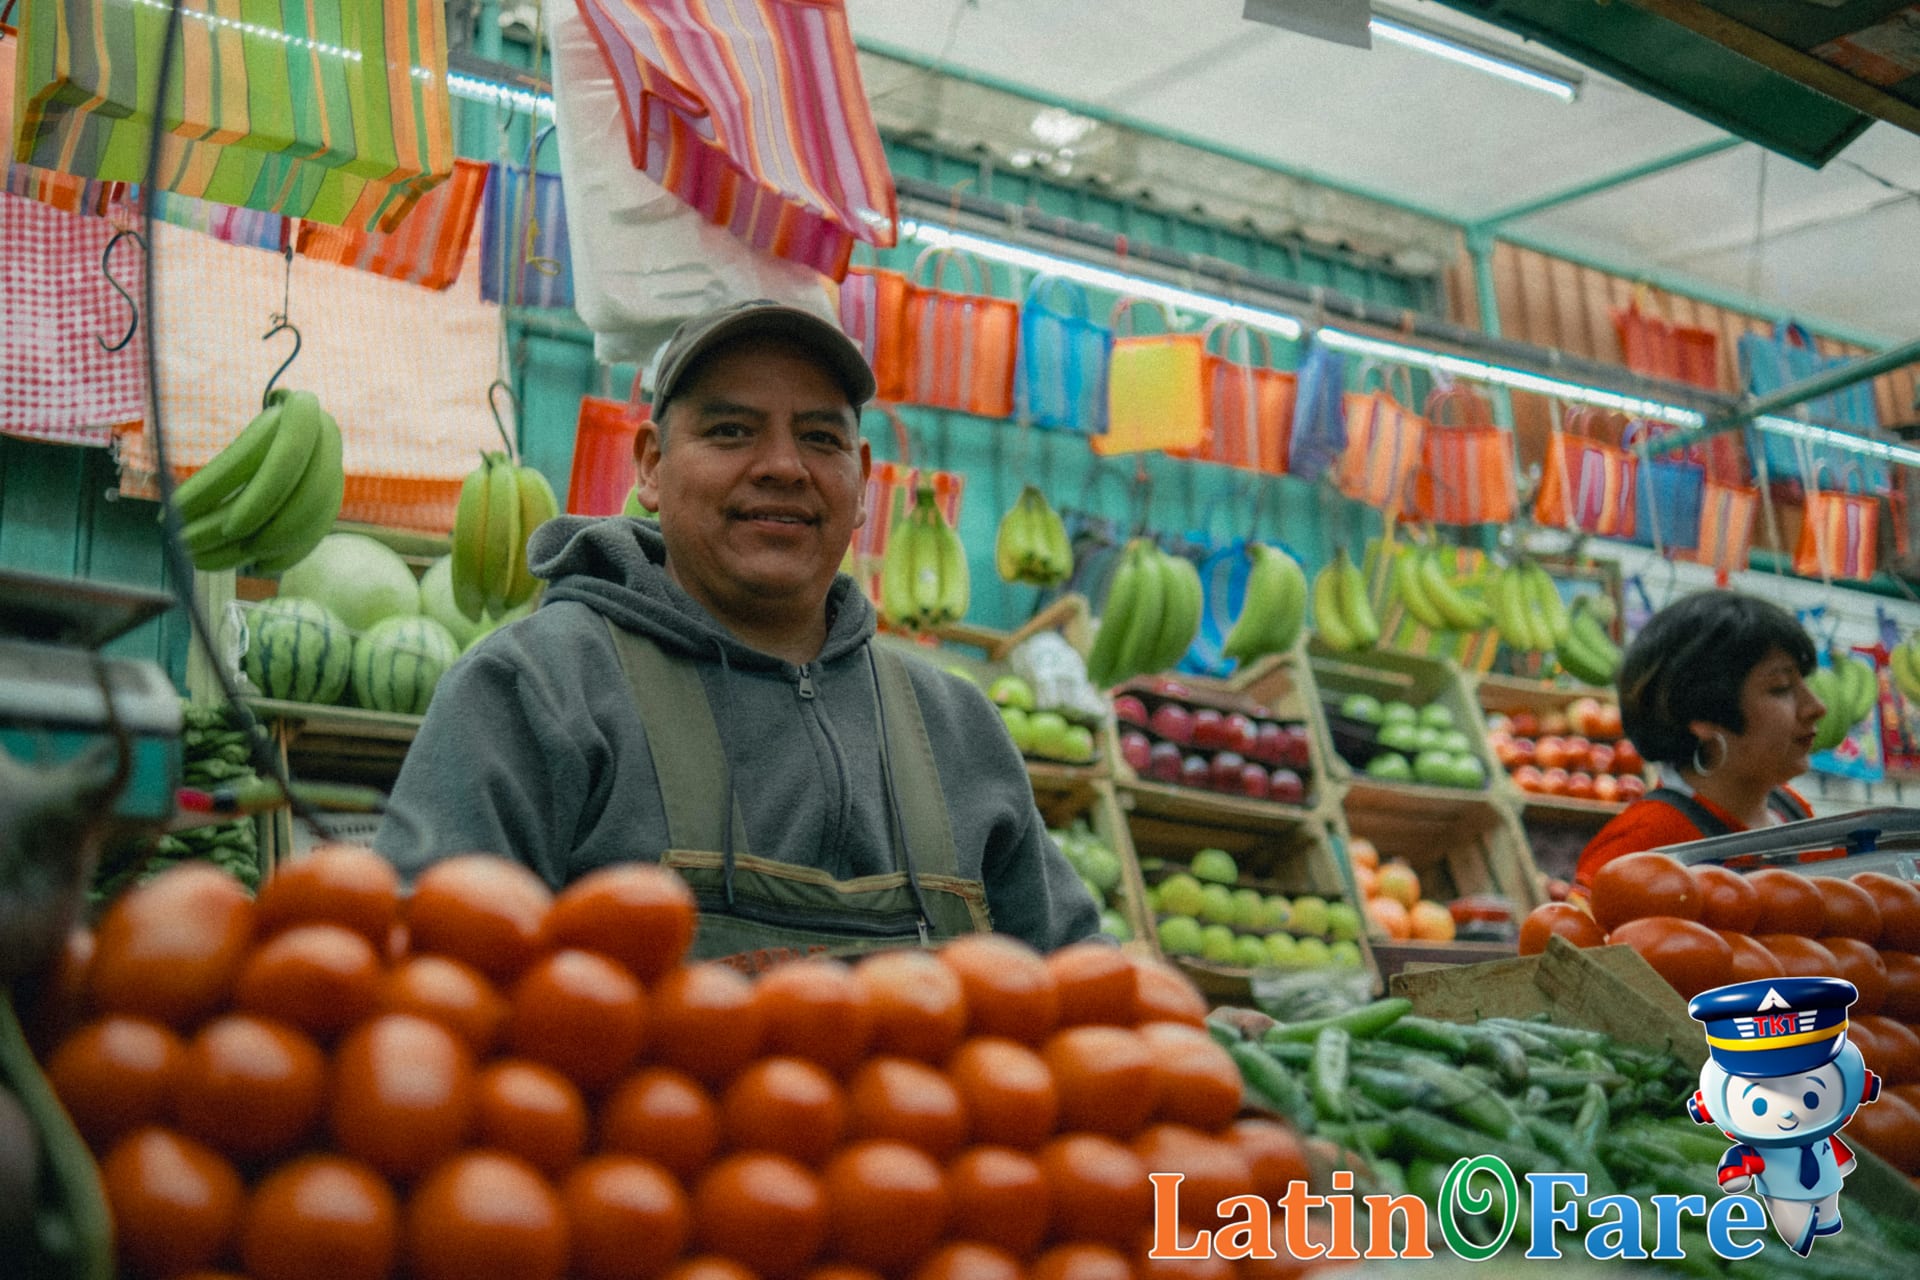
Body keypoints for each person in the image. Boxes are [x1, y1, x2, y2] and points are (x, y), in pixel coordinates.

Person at [376, 300, 1101, 963]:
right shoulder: (540, 687)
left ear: (863, 480)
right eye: (731, 432)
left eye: (820, 438)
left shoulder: (957, 729)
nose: (784, 467)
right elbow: (430, 985)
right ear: (653, 466)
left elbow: (1080, 995)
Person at [1574, 590, 1822, 898]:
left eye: (1804, 683)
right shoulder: (1639, 847)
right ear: (1705, 716)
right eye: (1780, 688)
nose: (1816, 707)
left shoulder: (1795, 814)